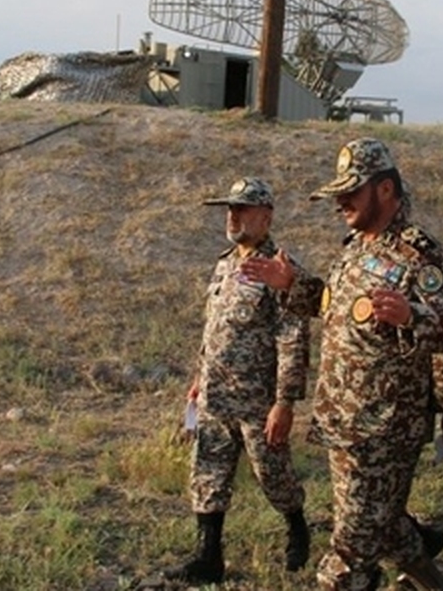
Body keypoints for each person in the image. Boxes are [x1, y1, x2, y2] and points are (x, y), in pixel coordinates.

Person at [241, 138, 443, 591]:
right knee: (380, 525)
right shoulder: (357, 246)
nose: (340, 201)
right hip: (343, 418)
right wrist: (294, 285)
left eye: (351, 191)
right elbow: (336, 307)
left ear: (384, 190)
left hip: (385, 427)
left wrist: (412, 316)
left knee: (350, 553)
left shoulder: (416, 252)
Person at [164, 177, 311, 585]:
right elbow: (214, 329)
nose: (233, 215)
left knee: (273, 475)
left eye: (242, 208)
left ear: (265, 217)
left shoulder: (279, 269)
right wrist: (199, 376)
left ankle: (297, 526)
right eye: (230, 208)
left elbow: (292, 337)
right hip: (215, 395)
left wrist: (285, 402)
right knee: (207, 474)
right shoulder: (225, 263)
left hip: (256, 400)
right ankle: (208, 556)